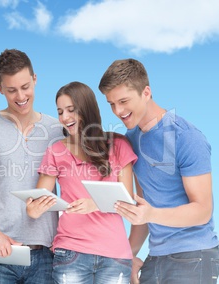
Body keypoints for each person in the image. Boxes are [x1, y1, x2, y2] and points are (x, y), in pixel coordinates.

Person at [98, 58, 219, 284]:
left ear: (146, 92)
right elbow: (143, 206)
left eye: (124, 101)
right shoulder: (132, 139)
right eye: (111, 104)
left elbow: (203, 210)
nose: (118, 111)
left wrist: (151, 214)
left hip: (194, 256)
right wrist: (128, 256)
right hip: (156, 256)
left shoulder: (186, 137)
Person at [26, 81, 137, 284]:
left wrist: (94, 204)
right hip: (71, 253)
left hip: (115, 254)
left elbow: (128, 201)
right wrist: (34, 209)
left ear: (86, 109)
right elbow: (40, 198)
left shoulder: (118, 145)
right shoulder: (56, 151)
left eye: (70, 110)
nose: (64, 117)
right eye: (60, 111)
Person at [0, 49, 63, 283]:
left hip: (45, 252)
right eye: (11, 90)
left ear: (35, 79)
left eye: (25, 87)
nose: (20, 96)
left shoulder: (58, 130)